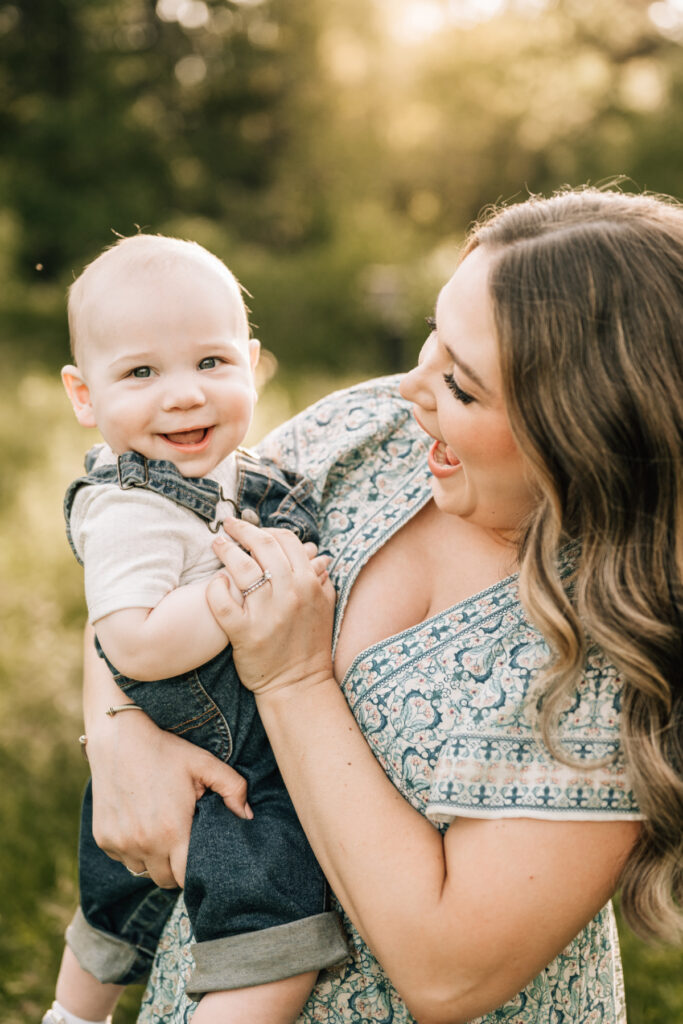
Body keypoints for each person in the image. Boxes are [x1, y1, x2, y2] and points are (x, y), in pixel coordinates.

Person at [79, 188, 682, 1024]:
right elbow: (145, 544)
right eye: (436, 337)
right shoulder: (371, 434)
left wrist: (290, 680)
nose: (410, 386)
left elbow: (447, 974)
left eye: (462, 387)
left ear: (585, 437)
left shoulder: (612, 651)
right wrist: (116, 731)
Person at [45, 235, 348, 1024]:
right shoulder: (130, 511)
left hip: (205, 736)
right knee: (270, 914)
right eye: (142, 372)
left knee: (117, 899)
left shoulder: (232, 475)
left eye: (211, 363)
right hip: (209, 751)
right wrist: (230, 593)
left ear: (254, 363)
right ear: (84, 395)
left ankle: (74, 1014)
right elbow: (135, 643)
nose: (184, 395)